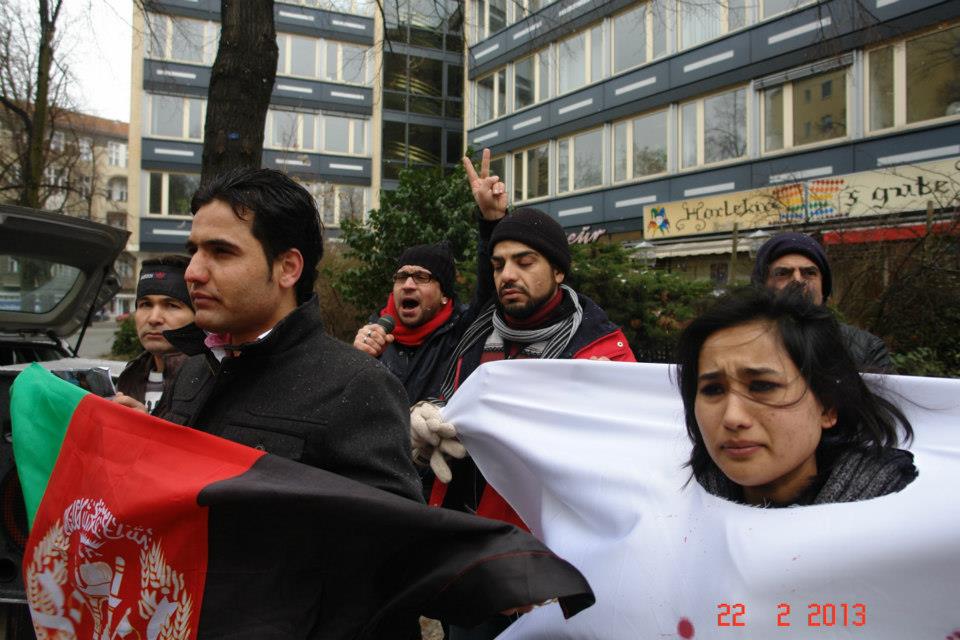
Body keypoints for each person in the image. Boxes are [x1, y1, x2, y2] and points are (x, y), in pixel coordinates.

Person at [148, 167, 421, 502]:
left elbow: (390, 528)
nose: (192, 273)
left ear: (288, 268)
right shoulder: (192, 371)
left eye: (221, 252)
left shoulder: (357, 386)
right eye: (194, 252)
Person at [676, 284, 917, 507]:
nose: (732, 417)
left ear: (827, 407)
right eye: (713, 389)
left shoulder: (908, 519)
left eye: (762, 386)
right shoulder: (673, 505)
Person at [751, 231, 895, 372]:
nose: (798, 280)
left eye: (809, 273)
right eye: (782, 273)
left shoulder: (866, 349)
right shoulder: (743, 344)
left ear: (823, 287)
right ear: (762, 285)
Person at [353, 242, 469, 404]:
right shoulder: (376, 333)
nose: (408, 285)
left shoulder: (465, 333)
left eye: (421, 277)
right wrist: (357, 361)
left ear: (444, 294)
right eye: (401, 277)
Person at [115, 256, 194, 413]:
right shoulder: (129, 376)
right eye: (146, 304)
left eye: (171, 305)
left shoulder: (212, 382)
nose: (153, 318)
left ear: (198, 315)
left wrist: (146, 426)